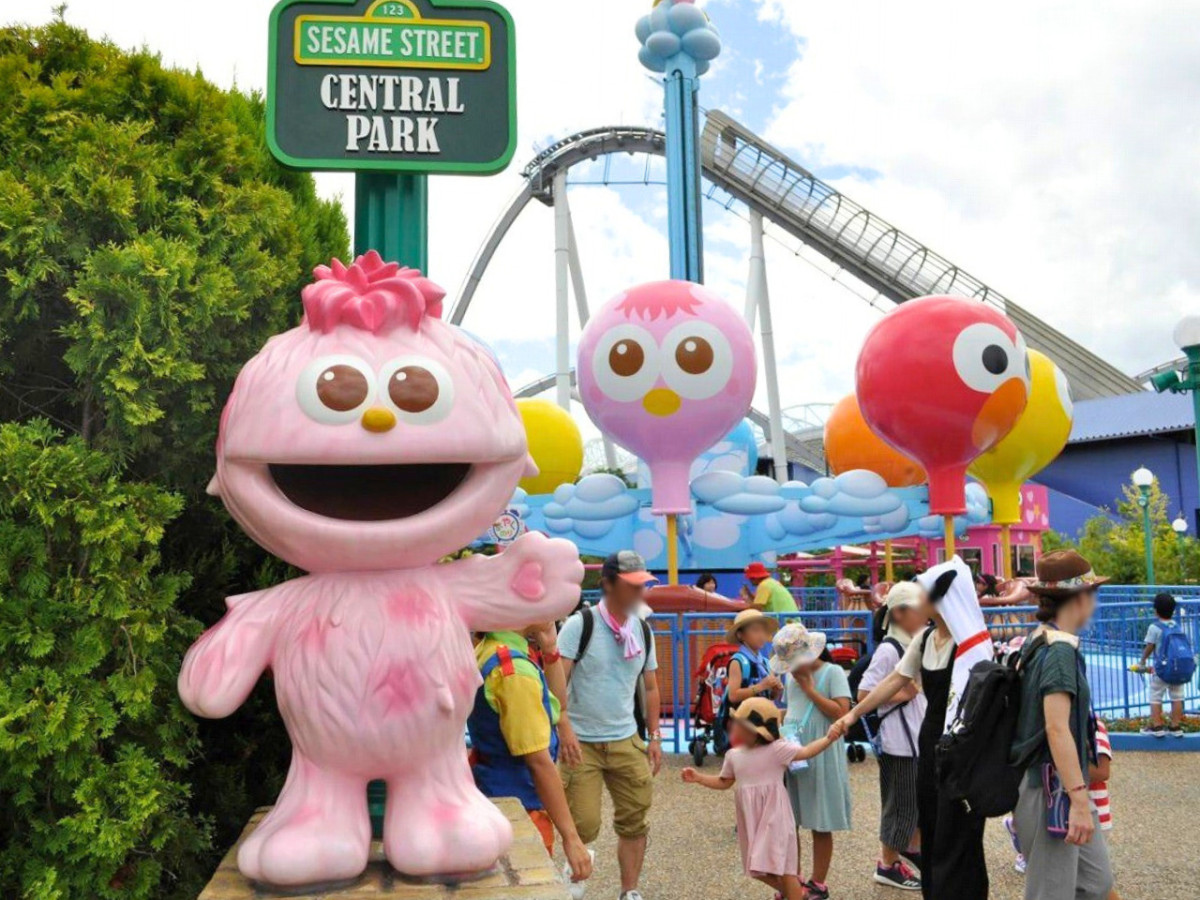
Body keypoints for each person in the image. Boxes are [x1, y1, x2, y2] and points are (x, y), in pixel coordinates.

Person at [830, 563, 987, 900]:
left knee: (960, 826)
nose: (920, 600)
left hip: (961, 746)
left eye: (924, 594)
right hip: (930, 741)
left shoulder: (970, 643)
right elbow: (894, 680)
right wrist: (853, 714)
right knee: (930, 819)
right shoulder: (926, 639)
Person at [558, 551, 663, 900]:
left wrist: (655, 736)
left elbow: (651, 686)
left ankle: (629, 890)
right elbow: (557, 680)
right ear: (608, 584)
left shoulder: (642, 629)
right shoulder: (580, 625)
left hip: (625, 738)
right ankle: (574, 884)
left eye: (642, 585)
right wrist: (564, 727)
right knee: (583, 823)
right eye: (632, 585)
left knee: (635, 820)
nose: (639, 592)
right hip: (581, 743)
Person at [1010, 550, 1113, 900]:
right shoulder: (1059, 652)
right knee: (1051, 892)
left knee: (1094, 882)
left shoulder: (1038, 639)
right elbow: (1057, 728)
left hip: (1053, 784)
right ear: (1080, 598)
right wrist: (1079, 800)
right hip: (1051, 788)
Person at [468, 624, 592, 885]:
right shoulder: (514, 671)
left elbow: (558, 707)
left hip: (492, 790)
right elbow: (538, 763)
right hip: (520, 806)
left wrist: (550, 650)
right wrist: (571, 837)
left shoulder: (494, 648)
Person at [681, 698, 836, 900]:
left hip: (775, 816)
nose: (732, 725)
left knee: (784, 868)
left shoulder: (777, 749)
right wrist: (699, 778)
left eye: (738, 723)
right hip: (752, 819)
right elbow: (724, 781)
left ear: (753, 731)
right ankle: (796, 893)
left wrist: (829, 738)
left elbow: (806, 752)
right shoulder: (733, 755)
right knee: (756, 867)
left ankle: (794, 893)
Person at [773, 623, 851, 900]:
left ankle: (818, 882)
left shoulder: (832, 672)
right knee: (789, 820)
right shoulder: (791, 677)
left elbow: (842, 714)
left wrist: (810, 689)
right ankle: (793, 880)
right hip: (793, 750)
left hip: (822, 749)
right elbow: (792, 709)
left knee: (821, 819)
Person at [858, 583, 926, 892]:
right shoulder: (890, 649)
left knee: (912, 802)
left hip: (913, 737)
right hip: (899, 740)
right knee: (900, 805)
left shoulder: (911, 643)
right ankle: (887, 863)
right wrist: (904, 693)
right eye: (917, 609)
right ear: (898, 613)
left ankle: (905, 853)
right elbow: (864, 693)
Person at [1139, 592, 1186, 738]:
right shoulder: (1176, 626)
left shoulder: (1154, 627)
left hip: (1161, 670)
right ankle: (1175, 726)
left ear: (1156, 610)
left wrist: (1142, 660)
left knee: (1155, 696)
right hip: (1178, 669)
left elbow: (1150, 646)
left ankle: (1157, 726)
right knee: (1177, 696)